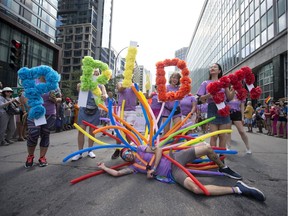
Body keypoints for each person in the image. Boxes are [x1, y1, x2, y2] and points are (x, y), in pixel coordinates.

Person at [97, 143, 265, 201]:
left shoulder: (141, 149)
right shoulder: (134, 167)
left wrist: (153, 168)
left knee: (207, 148)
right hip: (174, 173)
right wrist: (104, 167)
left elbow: (159, 150)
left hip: (175, 157)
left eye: (126, 152)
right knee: (198, 190)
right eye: (125, 157)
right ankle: (238, 189)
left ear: (130, 150)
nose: (127, 156)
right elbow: (117, 174)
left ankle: (222, 167)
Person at [25, 77, 62, 167]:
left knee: (45, 134)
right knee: (33, 133)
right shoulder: (32, 82)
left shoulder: (53, 84)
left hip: (49, 113)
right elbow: (25, 97)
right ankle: (30, 156)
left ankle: (42, 157)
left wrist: (54, 99)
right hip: (36, 113)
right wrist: (29, 104)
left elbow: (60, 98)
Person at [72, 69, 107, 161]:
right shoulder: (85, 82)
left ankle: (90, 150)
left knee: (92, 131)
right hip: (84, 109)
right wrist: (81, 85)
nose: (95, 73)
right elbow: (78, 88)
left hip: (95, 110)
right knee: (81, 130)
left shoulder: (100, 85)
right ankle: (80, 152)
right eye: (94, 71)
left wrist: (104, 96)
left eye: (97, 72)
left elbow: (105, 93)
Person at [197, 63, 234, 148]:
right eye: (211, 67)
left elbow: (229, 98)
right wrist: (209, 94)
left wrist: (233, 89)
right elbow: (201, 99)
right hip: (212, 108)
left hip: (223, 108)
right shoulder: (205, 83)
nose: (212, 68)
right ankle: (213, 157)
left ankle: (221, 157)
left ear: (219, 71)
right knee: (214, 135)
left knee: (222, 136)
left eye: (215, 67)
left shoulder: (224, 82)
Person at [111, 79, 137, 159]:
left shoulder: (134, 84)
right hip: (121, 111)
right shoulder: (120, 83)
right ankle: (118, 149)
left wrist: (133, 85)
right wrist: (126, 83)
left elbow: (138, 92)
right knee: (119, 131)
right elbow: (120, 89)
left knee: (128, 131)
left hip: (131, 111)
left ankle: (127, 148)